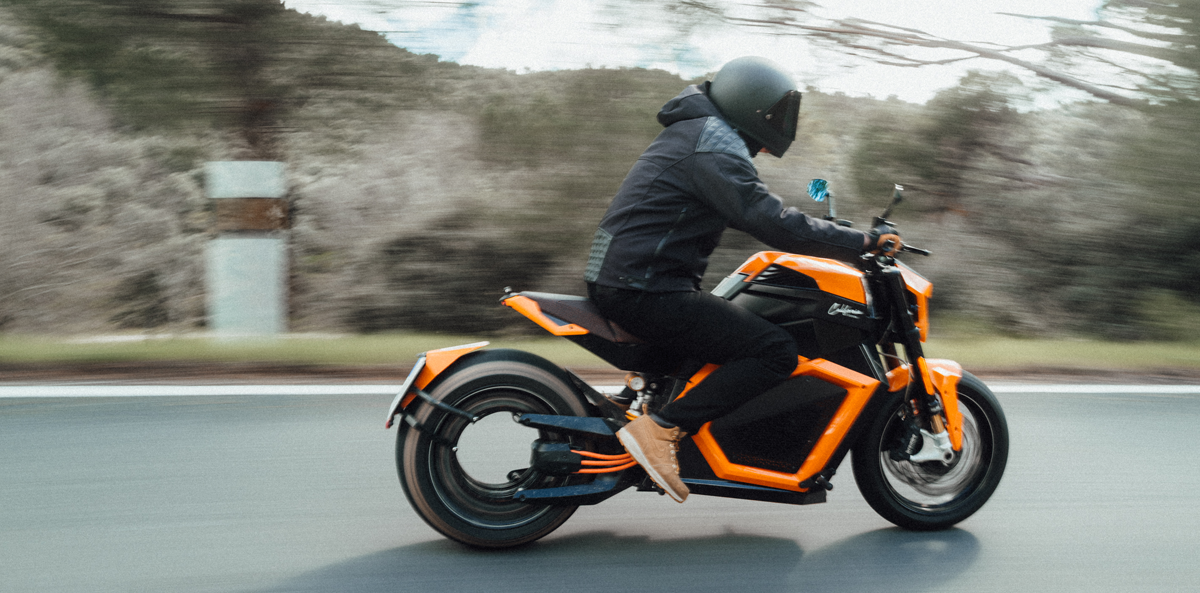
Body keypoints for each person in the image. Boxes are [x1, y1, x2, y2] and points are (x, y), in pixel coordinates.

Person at [583, 56, 899, 502]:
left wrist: (834, 234)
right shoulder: (713, 145)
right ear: (754, 107)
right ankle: (662, 431)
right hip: (644, 288)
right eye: (776, 116)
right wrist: (862, 242)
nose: (775, 132)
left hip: (631, 280)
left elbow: (756, 210)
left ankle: (650, 417)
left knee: (725, 326)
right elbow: (769, 221)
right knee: (773, 350)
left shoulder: (699, 135)